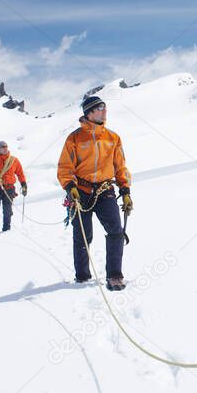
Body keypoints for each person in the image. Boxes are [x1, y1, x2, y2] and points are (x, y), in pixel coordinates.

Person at [57, 95, 133, 290]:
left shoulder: (113, 138)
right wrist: (70, 187)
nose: (104, 110)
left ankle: (114, 275)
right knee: (82, 235)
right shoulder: (74, 138)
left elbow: (120, 166)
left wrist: (125, 190)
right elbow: (65, 167)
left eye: (105, 107)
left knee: (116, 231)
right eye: (100, 107)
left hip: (105, 190)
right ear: (89, 113)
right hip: (80, 191)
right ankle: (82, 276)